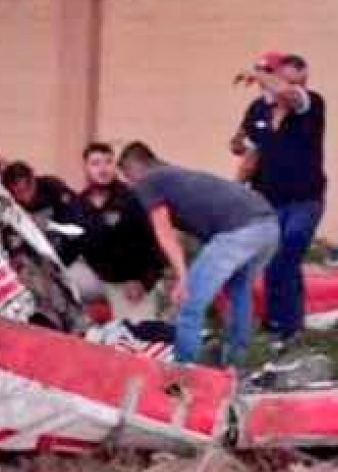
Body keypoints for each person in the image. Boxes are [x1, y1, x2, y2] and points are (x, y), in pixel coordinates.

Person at [118, 141, 279, 367]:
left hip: (239, 230)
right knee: (238, 292)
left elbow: (164, 234)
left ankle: (183, 374)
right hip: (268, 227)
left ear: (134, 169)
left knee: (190, 302)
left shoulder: (149, 180)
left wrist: (184, 279)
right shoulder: (176, 177)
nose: (131, 187)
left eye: (127, 178)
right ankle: (236, 366)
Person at [231, 51, 327, 346]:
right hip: (267, 200)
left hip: (304, 200)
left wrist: (253, 73)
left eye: (271, 74)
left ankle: (285, 329)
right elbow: (245, 150)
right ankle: (284, 327)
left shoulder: (310, 104)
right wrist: (235, 184)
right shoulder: (257, 110)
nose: (268, 82)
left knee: (287, 254)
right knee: (276, 261)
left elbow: (288, 93)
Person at [68, 142, 165, 322]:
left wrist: (144, 281)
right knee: (61, 280)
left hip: (129, 282)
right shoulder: (78, 204)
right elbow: (71, 245)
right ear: (85, 168)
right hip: (97, 277)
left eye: (108, 162)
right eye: (95, 163)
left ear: (115, 166)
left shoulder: (133, 198)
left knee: (138, 335)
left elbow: (155, 242)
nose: (102, 169)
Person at [1, 160, 85, 263]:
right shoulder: (11, 203)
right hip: (39, 257)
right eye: (19, 192)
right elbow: (10, 236)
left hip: (69, 250)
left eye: (28, 188)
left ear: (33, 178)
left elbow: (77, 215)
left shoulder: (52, 186)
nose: (26, 197)